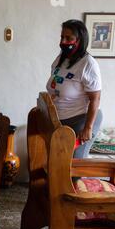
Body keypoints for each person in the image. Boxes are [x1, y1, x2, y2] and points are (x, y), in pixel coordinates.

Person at [47, 19, 103, 158]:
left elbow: (95, 98)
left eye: (69, 38)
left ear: (80, 40)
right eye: (62, 37)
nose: (63, 41)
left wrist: (88, 128)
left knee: (73, 168)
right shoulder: (61, 58)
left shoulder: (88, 64)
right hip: (59, 121)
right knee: (57, 165)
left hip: (80, 121)